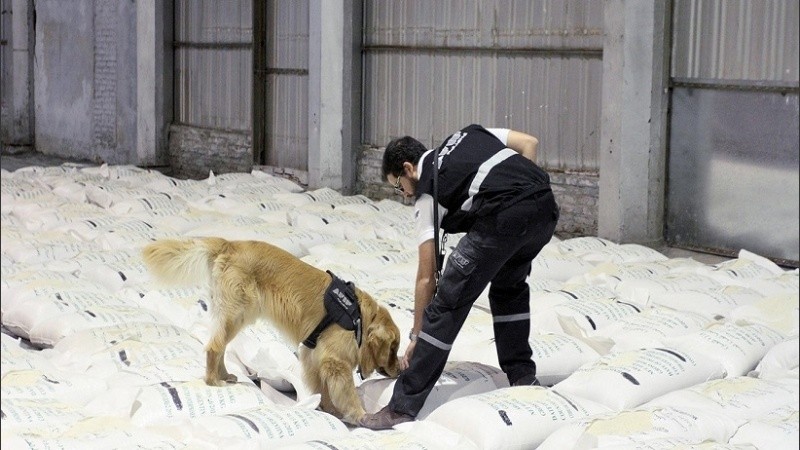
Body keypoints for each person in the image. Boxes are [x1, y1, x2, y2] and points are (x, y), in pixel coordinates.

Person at [358, 124, 560, 429]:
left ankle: (401, 407)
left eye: (399, 186)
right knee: (509, 288)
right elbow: (529, 142)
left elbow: (426, 277)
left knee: (446, 305)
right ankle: (522, 376)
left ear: (409, 169)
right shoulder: (470, 133)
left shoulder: (428, 191)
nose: (404, 194)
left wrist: (416, 335)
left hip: (501, 216)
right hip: (544, 207)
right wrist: (523, 196)